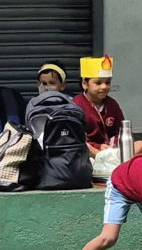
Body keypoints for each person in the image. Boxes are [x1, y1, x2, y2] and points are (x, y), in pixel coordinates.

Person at [24, 63, 94, 192]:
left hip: (46, 173)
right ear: (38, 84)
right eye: (43, 83)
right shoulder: (72, 105)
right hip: (77, 173)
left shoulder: (34, 105)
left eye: (52, 83)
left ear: (62, 85)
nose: (47, 88)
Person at [75, 55, 139, 180]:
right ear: (85, 84)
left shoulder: (112, 103)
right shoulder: (76, 105)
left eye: (107, 82)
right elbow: (77, 136)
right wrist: (98, 147)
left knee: (140, 145)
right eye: (98, 83)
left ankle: (113, 165)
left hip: (112, 151)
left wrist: (114, 144)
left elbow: (120, 130)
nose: (104, 87)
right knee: (83, 146)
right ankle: (113, 165)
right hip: (94, 152)